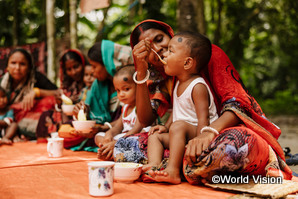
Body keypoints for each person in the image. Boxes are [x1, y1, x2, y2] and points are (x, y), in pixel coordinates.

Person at [130, 19, 294, 183]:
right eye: (148, 48)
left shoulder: (210, 56)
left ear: (171, 36)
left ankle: (180, 166)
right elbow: (146, 119)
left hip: (217, 133)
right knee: (128, 145)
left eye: (159, 39)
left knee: (238, 142)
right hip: (183, 139)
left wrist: (208, 133)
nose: (159, 49)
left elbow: (238, 105)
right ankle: (177, 166)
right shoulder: (167, 75)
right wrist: (141, 71)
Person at [144, 32, 218, 184]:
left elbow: (204, 118)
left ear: (187, 63)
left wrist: (199, 143)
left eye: (170, 51)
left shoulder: (197, 86)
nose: (164, 55)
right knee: (155, 136)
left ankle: (173, 171)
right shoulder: (178, 82)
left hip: (196, 132)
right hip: (180, 133)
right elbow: (177, 112)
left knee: (178, 127)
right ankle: (154, 166)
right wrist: (165, 127)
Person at [68, 40, 134, 150]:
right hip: (103, 130)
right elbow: (87, 111)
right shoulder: (97, 85)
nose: (92, 72)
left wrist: (103, 128)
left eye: (94, 66)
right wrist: (80, 110)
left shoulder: (131, 83)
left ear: (107, 63)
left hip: (123, 130)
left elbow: (126, 120)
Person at [94, 65, 151, 161]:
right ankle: (110, 150)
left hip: (135, 137)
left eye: (126, 89)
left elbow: (136, 130)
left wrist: (117, 142)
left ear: (139, 87)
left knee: (135, 142)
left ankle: (111, 151)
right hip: (124, 137)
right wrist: (109, 134)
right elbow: (118, 127)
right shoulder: (125, 108)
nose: (121, 94)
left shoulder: (141, 108)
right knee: (98, 136)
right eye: (118, 90)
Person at [0, 48, 58, 139]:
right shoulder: (2, 82)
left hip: (29, 118)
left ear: (29, 67)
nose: (17, 68)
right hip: (7, 120)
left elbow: (59, 93)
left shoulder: (36, 77)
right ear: (7, 66)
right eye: (13, 63)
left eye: (22, 64)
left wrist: (37, 92)